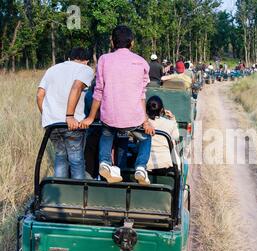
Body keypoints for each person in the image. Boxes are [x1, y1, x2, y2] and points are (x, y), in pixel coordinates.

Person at [81, 25, 155, 185]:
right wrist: (145, 121)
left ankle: (105, 162)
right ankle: (141, 167)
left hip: (110, 118)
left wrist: (91, 117)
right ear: (132, 43)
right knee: (145, 138)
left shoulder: (104, 60)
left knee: (106, 134)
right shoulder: (142, 62)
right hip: (134, 119)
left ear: (112, 42)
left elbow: (98, 91)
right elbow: (141, 95)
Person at [37, 47, 94, 180]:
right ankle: (78, 194)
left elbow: (40, 95)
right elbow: (77, 87)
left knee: (60, 157)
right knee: (76, 159)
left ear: (69, 58)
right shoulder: (85, 69)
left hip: (51, 124)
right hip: (72, 123)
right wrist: (70, 116)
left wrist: (47, 115)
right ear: (86, 61)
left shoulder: (52, 69)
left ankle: (61, 193)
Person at [146, 96, 180, 171]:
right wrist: (172, 119)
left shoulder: (143, 124)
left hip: (147, 164)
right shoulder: (169, 123)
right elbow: (176, 137)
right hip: (166, 164)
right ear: (162, 110)